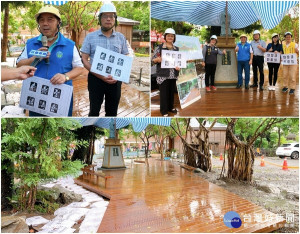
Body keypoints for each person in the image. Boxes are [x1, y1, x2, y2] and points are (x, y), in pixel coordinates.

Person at [16, 5, 83, 116]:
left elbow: (80, 68)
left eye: (50, 20)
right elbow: (19, 65)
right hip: (36, 96)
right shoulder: (30, 43)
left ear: (58, 22)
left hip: (60, 96)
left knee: (62, 125)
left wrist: (65, 76)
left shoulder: (70, 45)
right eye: (41, 20)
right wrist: (34, 58)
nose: (45, 23)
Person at [81, 2, 129, 117]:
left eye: (111, 16)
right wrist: (99, 75)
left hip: (115, 80)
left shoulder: (121, 38)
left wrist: (118, 75)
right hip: (95, 79)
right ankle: (91, 131)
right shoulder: (90, 37)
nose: (108, 19)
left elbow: (125, 58)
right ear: (100, 19)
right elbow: (84, 59)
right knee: (94, 111)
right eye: (105, 16)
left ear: (115, 19)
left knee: (112, 112)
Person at [152, 28, 180, 117]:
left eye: (172, 36)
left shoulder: (176, 49)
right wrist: (157, 60)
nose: (170, 37)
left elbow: (179, 60)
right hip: (163, 75)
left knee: (171, 93)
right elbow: (152, 60)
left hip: (173, 74)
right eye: (168, 36)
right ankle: (164, 111)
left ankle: (170, 108)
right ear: (165, 37)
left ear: (174, 38)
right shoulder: (160, 48)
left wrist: (179, 66)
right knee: (164, 93)